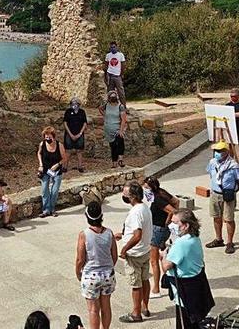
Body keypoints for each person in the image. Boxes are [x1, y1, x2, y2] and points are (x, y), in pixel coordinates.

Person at [161, 209, 215, 329]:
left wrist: (164, 255)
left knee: (185, 323)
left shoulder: (181, 243)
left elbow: (166, 266)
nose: (171, 225)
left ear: (185, 226)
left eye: (175, 223)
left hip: (185, 290)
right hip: (197, 284)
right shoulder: (194, 237)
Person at [75, 201, 118, 329]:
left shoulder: (84, 234)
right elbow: (114, 256)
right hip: (108, 275)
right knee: (106, 307)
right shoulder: (109, 233)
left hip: (90, 275)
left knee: (93, 310)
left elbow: (80, 259)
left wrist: (78, 273)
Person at [116, 182, 153, 324]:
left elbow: (137, 234)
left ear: (132, 197)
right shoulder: (144, 208)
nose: (123, 196)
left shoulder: (135, 212)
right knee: (145, 280)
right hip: (145, 251)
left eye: (125, 194)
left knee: (135, 284)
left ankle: (136, 313)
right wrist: (124, 235)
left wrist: (124, 249)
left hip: (134, 255)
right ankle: (145, 307)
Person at [144, 176, 179, 299]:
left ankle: (156, 288)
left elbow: (172, 210)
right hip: (161, 230)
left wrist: (167, 222)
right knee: (161, 256)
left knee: (153, 260)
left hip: (158, 229)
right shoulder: (162, 192)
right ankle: (167, 279)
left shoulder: (158, 199)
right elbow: (176, 201)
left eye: (146, 188)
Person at [205, 141, 239, 254]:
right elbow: (211, 175)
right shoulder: (212, 162)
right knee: (216, 217)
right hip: (215, 194)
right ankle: (218, 239)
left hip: (228, 195)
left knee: (229, 219)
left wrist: (233, 191)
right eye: (216, 150)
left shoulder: (234, 165)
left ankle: (230, 242)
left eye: (220, 151)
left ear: (226, 152)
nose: (217, 153)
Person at [38, 126, 68, 218]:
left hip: (56, 170)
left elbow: (64, 158)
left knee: (54, 191)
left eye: (49, 137)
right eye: (46, 137)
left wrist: (57, 165)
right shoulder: (42, 144)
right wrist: (40, 164)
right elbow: (39, 153)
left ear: (53, 136)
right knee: (44, 190)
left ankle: (52, 209)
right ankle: (46, 210)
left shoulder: (59, 145)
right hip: (45, 169)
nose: (47, 139)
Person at [100, 91, 127, 168]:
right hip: (108, 129)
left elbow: (123, 120)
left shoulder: (120, 106)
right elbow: (100, 108)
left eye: (114, 97)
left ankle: (120, 160)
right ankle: (114, 162)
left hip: (117, 129)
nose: (113, 98)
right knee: (113, 146)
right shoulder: (106, 105)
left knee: (120, 142)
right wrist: (105, 115)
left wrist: (121, 130)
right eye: (111, 97)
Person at [63, 97, 88, 172]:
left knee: (79, 150)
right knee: (68, 151)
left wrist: (80, 133)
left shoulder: (82, 112)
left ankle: (80, 166)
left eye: (76, 103)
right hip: (69, 134)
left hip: (79, 134)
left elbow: (84, 123)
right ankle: (65, 167)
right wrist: (70, 134)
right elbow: (65, 123)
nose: (74, 105)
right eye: (73, 103)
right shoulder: (68, 111)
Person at [103, 41, 126, 106]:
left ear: (116, 47)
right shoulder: (108, 55)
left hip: (117, 76)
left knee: (121, 92)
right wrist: (105, 77)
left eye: (114, 47)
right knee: (110, 93)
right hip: (110, 76)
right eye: (111, 47)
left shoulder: (120, 55)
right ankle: (110, 107)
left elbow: (123, 65)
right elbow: (106, 66)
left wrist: (121, 74)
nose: (113, 48)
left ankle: (124, 107)